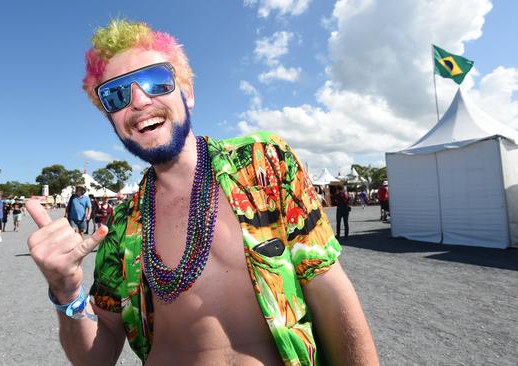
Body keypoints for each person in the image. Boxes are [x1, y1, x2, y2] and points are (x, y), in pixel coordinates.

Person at [25, 19, 378, 366]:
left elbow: (330, 290)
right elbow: (95, 358)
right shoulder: (119, 226)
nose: (139, 100)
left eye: (156, 81)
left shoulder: (262, 163)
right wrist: (66, 291)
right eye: (116, 95)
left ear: (187, 92)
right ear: (112, 119)